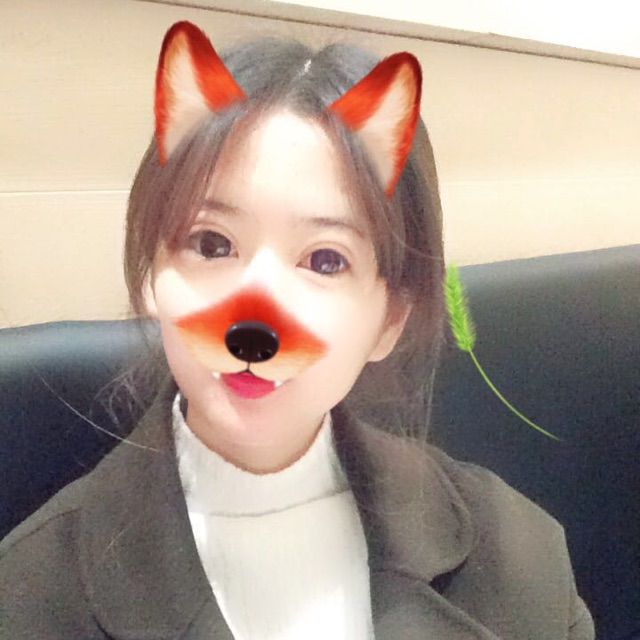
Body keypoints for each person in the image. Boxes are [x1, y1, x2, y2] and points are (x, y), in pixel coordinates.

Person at [0, 21, 594, 639]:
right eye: (212, 244)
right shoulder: (32, 597)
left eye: (325, 260)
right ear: (152, 275)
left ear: (390, 319)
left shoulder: (521, 559)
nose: (255, 319)